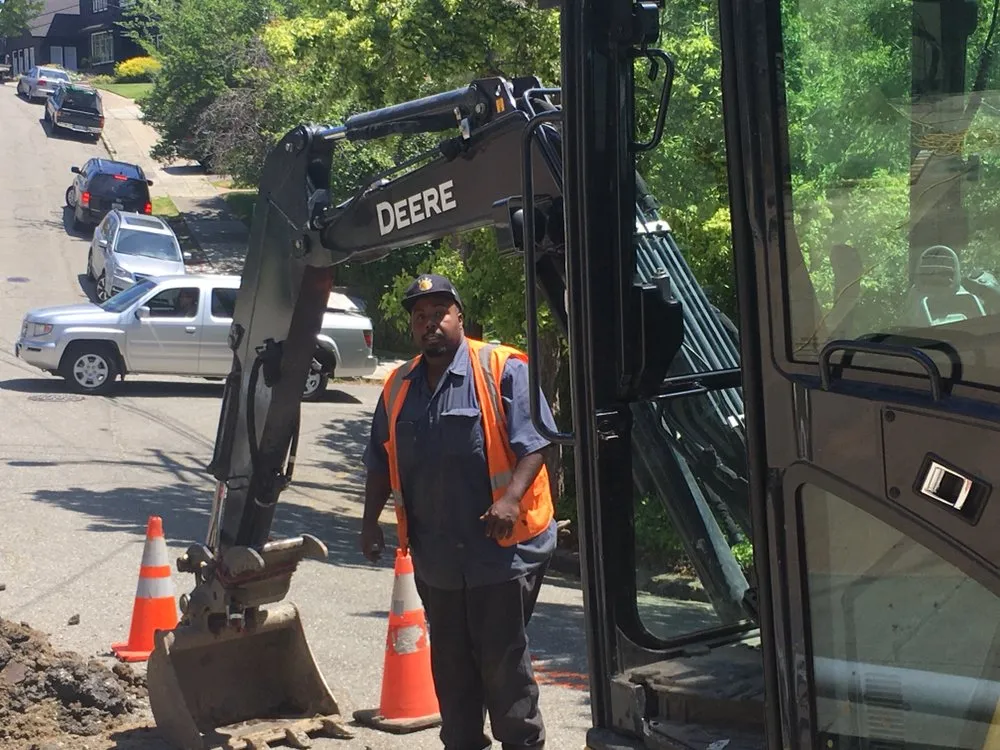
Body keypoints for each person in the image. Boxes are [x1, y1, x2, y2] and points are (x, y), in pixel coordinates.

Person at [360, 273, 558, 750]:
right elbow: (380, 460)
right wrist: (369, 523)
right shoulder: (397, 387)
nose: (430, 324)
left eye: (439, 314)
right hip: (438, 561)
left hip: (501, 553)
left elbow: (539, 442)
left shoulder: (501, 368)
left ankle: (522, 744)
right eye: (420, 316)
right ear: (412, 326)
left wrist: (510, 498)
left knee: (501, 664)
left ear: (459, 318)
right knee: (450, 666)